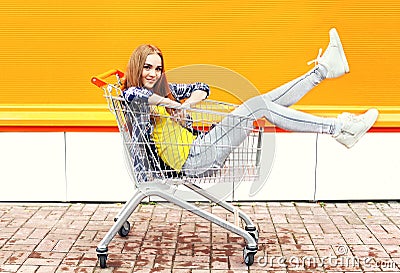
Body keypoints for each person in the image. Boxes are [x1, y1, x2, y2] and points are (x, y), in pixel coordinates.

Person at [122, 28, 379, 177]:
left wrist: (187, 104)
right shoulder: (132, 96)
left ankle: (322, 72)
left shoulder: (164, 89)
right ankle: (338, 127)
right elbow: (139, 97)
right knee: (258, 105)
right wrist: (176, 107)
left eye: (158, 68)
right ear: (137, 67)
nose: (153, 73)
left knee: (260, 102)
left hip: (202, 144)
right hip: (193, 160)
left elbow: (202, 88)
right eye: (147, 67)